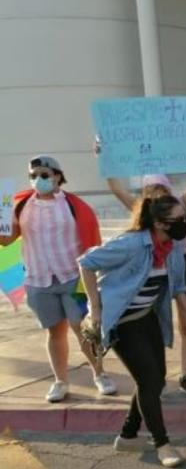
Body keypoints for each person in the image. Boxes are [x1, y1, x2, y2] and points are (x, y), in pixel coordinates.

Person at [79, 194, 186, 468]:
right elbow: (86, 262)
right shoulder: (131, 244)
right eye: (176, 220)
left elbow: (178, 286)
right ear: (157, 222)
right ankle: (162, 444)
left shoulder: (173, 247)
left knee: (156, 380)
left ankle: (128, 435)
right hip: (122, 321)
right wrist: (95, 307)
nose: (182, 223)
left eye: (184, 217)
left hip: (148, 317)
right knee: (148, 381)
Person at [0, 156, 116, 402]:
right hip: (38, 279)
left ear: (57, 176)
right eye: (33, 175)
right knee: (55, 332)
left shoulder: (74, 206)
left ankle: (100, 374)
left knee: (83, 328)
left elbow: (91, 239)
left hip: (73, 277)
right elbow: (6, 239)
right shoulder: (21, 205)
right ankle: (60, 381)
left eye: (43, 174)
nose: (37, 180)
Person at [105, 169, 186, 397]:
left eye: (161, 189)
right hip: (152, 268)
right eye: (151, 190)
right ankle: (154, 377)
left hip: (182, 265)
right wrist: (106, 160)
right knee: (152, 325)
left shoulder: (180, 206)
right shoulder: (141, 210)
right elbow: (115, 187)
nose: (157, 194)